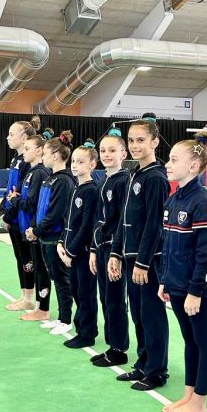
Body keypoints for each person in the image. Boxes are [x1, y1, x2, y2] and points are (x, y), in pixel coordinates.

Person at [108, 114, 170, 391]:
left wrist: (143, 262)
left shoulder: (155, 178)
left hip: (149, 261)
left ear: (155, 142)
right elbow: (125, 219)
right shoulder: (135, 173)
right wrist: (116, 252)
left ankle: (157, 370)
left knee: (152, 315)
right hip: (131, 257)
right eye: (131, 140)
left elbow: (155, 225)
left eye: (141, 140)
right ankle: (144, 363)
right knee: (139, 314)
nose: (135, 145)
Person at [159, 131, 207, 412]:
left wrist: (196, 290)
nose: (167, 164)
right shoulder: (173, 200)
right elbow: (168, 246)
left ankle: (200, 401)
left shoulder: (202, 202)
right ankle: (189, 393)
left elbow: (205, 253)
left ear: (193, 167)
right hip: (176, 284)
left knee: (203, 341)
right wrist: (164, 280)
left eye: (173, 160)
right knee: (189, 341)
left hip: (195, 290)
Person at [26, 131, 76, 336]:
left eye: (45, 153)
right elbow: (41, 208)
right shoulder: (50, 179)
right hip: (45, 238)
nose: (43, 157)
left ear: (55, 155)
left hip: (55, 238)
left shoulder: (64, 181)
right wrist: (33, 228)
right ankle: (61, 317)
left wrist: (37, 231)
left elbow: (55, 214)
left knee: (62, 280)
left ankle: (66, 319)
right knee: (55, 278)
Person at [89, 128, 130, 367]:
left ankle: (119, 348)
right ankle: (111, 344)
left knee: (115, 300)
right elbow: (98, 219)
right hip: (102, 247)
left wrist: (117, 252)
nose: (106, 154)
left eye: (112, 150)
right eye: (103, 150)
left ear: (123, 153)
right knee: (105, 298)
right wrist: (94, 250)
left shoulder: (124, 181)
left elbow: (122, 220)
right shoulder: (103, 181)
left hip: (115, 249)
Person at [57, 139, 99, 348]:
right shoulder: (75, 188)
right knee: (76, 290)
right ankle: (81, 327)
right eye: (73, 161)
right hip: (70, 251)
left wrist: (71, 252)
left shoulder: (91, 190)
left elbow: (87, 226)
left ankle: (87, 332)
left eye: (80, 162)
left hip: (82, 253)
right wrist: (61, 242)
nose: (75, 165)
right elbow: (68, 221)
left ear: (92, 165)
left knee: (85, 293)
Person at [14, 129, 53, 322]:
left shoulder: (40, 173)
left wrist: (15, 200)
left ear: (39, 151)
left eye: (28, 148)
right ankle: (38, 305)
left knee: (41, 269)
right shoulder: (31, 172)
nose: (24, 152)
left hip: (35, 228)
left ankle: (43, 308)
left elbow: (33, 204)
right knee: (36, 267)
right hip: (28, 227)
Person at [0, 119, 38, 311]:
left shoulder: (27, 163)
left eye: (11, 134)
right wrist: (2, 210)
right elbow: (9, 189)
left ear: (24, 138)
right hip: (12, 217)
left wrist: (8, 216)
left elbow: (20, 193)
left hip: (21, 219)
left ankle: (29, 296)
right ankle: (24, 294)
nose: (8, 138)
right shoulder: (15, 160)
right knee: (19, 257)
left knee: (26, 258)